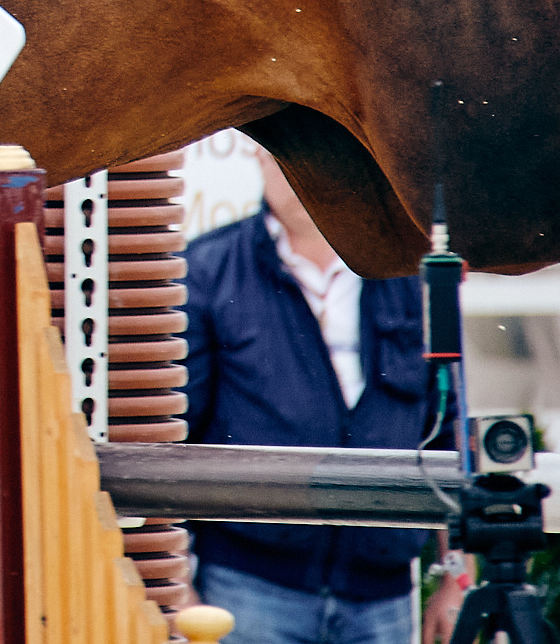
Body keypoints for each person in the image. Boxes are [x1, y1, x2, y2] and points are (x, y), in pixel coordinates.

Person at [184, 148, 464, 644]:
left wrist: (456, 578)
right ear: (258, 153)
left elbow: (447, 430)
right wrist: (177, 586)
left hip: (383, 594)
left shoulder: (408, 273)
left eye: (317, 153)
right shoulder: (209, 268)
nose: (302, 171)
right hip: (248, 587)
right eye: (287, 153)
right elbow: (176, 438)